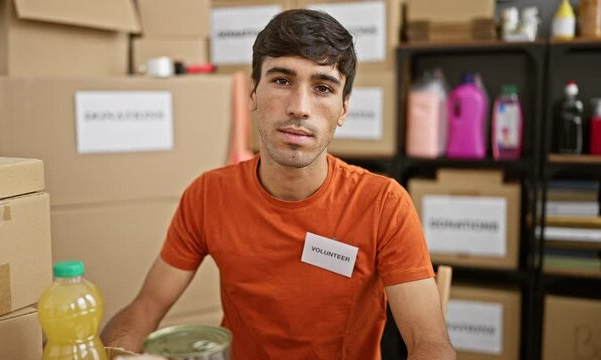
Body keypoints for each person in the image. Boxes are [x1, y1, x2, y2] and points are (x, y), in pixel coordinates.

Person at [101, 9, 455, 360]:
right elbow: (144, 310)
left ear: (344, 108)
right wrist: (117, 352)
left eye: (322, 88)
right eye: (282, 81)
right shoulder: (208, 195)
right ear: (252, 92)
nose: (299, 108)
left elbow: (430, 344)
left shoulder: (383, 204)